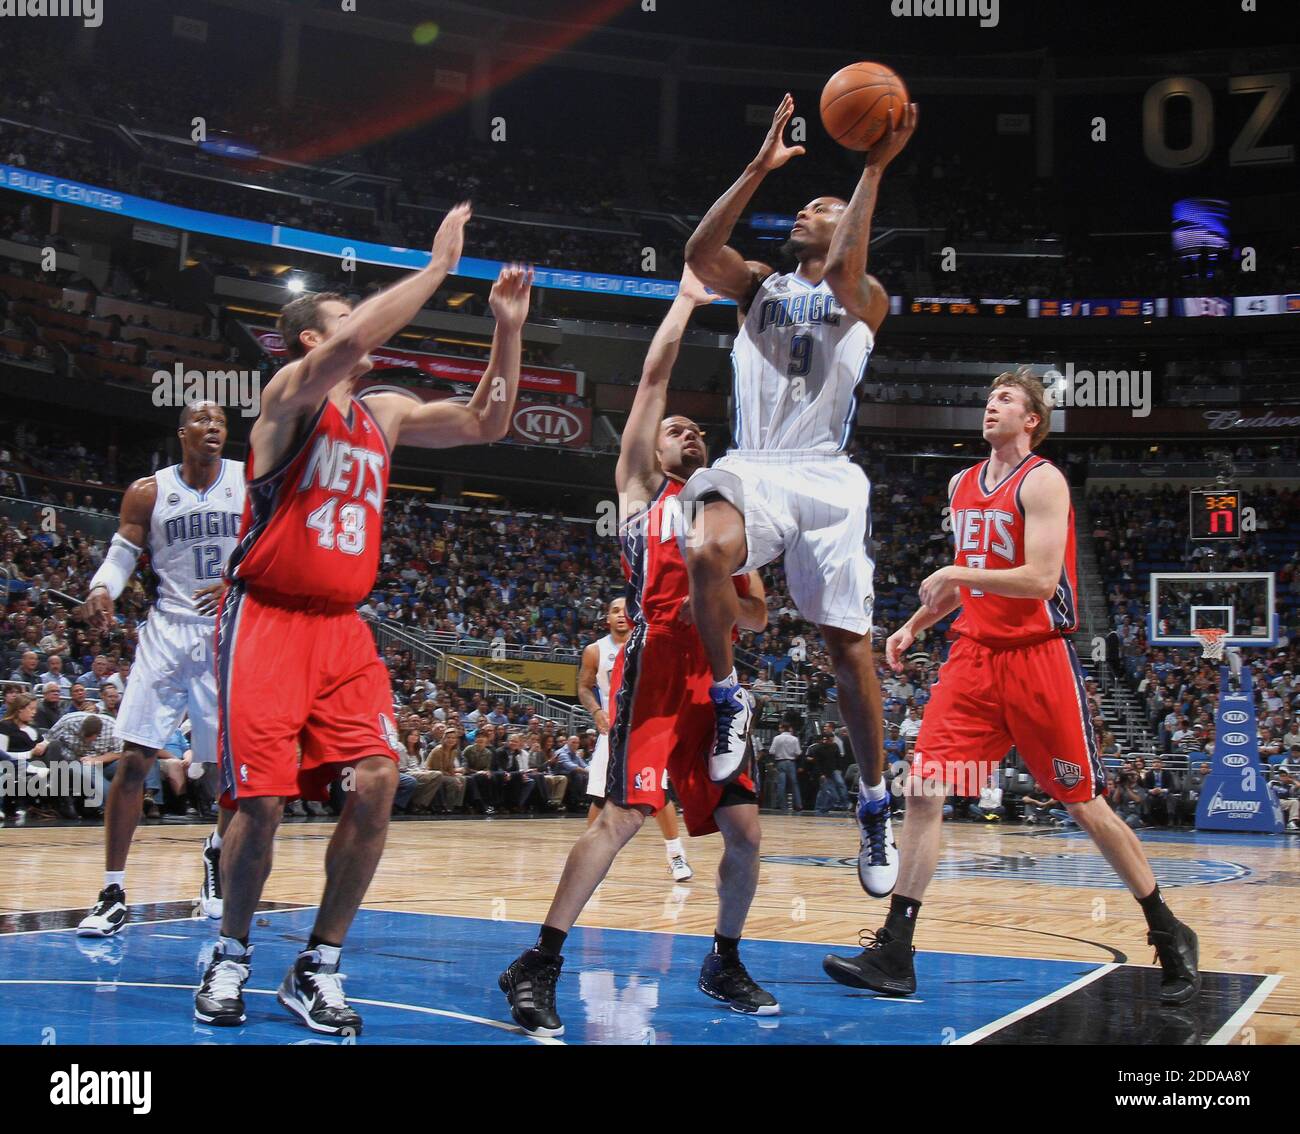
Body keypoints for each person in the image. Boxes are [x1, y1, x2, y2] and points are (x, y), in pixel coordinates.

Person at [195, 204, 532, 1035]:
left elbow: (489, 421)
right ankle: (231, 954)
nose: (359, 330)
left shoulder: (381, 411)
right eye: (344, 318)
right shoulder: (286, 400)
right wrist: (434, 271)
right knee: (262, 806)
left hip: (343, 626)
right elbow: (350, 346)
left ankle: (318, 963)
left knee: (380, 781)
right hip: (266, 619)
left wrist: (507, 330)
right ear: (310, 340)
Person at [823, 369, 1200, 1006]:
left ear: (1031, 420)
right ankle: (896, 949)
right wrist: (915, 625)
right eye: (989, 398)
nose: (990, 407)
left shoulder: (1044, 480)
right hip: (973, 659)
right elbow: (966, 586)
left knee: (1084, 805)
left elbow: (1040, 579)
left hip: (1037, 661)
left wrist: (951, 569)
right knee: (925, 789)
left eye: (1005, 400)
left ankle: (1168, 928)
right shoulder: (961, 483)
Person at [500, 267, 771, 1037]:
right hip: (654, 671)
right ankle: (540, 961)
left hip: (713, 683)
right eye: (677, 427)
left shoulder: (723, 519)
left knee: (747, 834)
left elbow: (753, 619)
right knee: (618, 820)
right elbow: (653, 376)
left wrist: (721, 598)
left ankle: (723, 958)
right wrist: (686, 300)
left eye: (700, 431)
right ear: (650, 446)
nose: (690, 433)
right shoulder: (638, 494)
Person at [681, 94, 919, 900]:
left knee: (846, 650)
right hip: (755, 461)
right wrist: (758, 165)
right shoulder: (755, 285)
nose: (802, 213)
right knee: (703, 546)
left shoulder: (868, 297)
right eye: (804, 204)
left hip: (825, 474)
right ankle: (728, 695)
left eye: (821, 207)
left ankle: (874, 801)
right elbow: (698, 248)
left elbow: (848, 271)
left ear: (847, 219)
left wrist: (874, 168)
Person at [75, 401, 245, 936]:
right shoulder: (148, 490)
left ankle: (216, 856)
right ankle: (112, 890)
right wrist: (103, 587)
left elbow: (274, 539)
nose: (213, 427)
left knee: (222, 772)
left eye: (221, 422)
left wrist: (239, 576)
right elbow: (122, 553)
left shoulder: (250, 481)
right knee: (133, 760)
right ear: (182, 433)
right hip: (167, 631)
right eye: (203, 421)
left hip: (228, 630)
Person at [581, 598, 692, 881]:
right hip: (611, 731)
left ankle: (676, 856)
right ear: (606, 618)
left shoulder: (651, 646)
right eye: (614, 610)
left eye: (625, 610)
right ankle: (589, 859)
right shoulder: (595, 651)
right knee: (598, 797)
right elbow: (583, 686)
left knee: (659, 793)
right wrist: (596, 711)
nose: (620, 615)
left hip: (647, 731)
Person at [768, 721, 802, 812]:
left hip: (780, 762)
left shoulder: (777, 738)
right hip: (791, 762)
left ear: (782, 728)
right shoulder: (794, 739)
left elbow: (771, 751)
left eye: (780, 728)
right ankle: (798, 805)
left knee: (781, 784)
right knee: (794, 784)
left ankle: (782, 805)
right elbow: (798, 753)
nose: (779, 729)